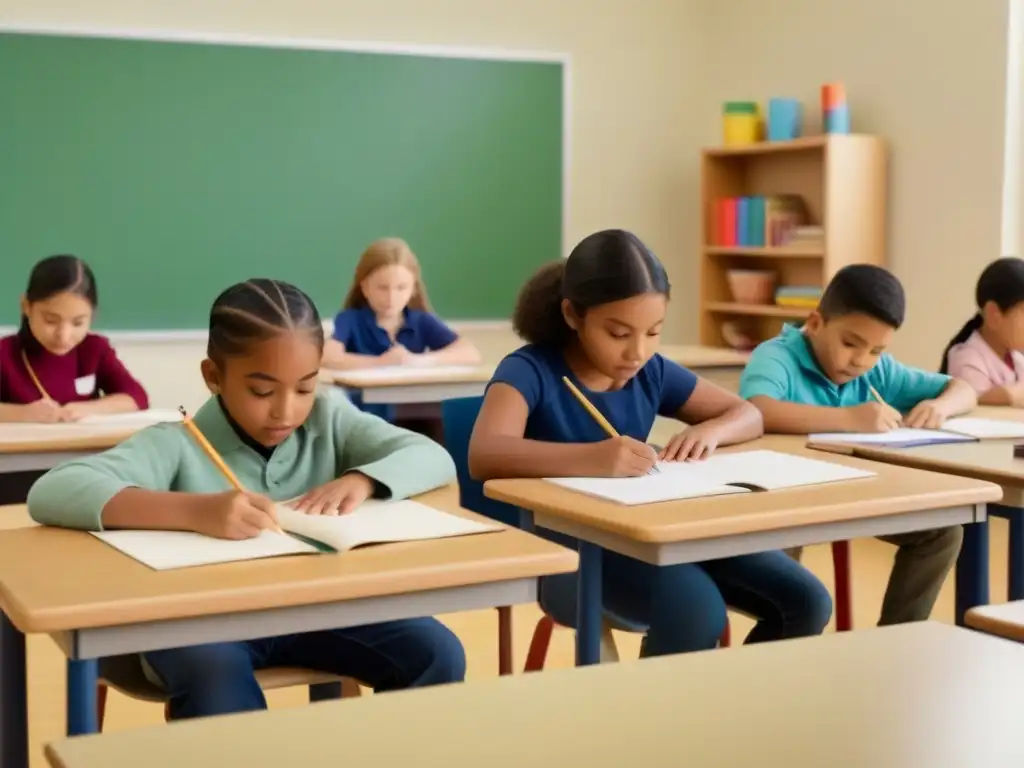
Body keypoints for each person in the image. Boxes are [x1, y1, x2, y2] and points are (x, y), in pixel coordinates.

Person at [28, 278, 465, 720]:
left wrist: (363, 479)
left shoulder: (329, 419)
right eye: (262, 391)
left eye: (304, 388)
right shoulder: (179, 444)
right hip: (202, 624)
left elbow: (432, 456)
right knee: (214, 677)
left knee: (436, 652)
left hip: (314, 609)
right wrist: (196, 511)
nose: (286, 411)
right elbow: (53, 490)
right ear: (213, 377)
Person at [469, 229, 833, 655]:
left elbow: (748, 413)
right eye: (619, 334)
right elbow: (484, 453)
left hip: (659, 530)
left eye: (654, 332)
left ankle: (743, 711)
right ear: (573, 314)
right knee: (697, 613)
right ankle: (659, 721)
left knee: (805, 602)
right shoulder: (530, 370)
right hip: (575, 552)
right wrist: (592, 458)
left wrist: (709, 430)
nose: (637, 352)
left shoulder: (652, 372)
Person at [739, 263, 977, 625]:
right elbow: (757, 409)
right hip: (784, 499)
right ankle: (782, 655)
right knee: (794, 592)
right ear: (816, 323)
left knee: (942, 532)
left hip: (854, 495)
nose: (861, 361)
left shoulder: (877, 369)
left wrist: (939, 405)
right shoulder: (776, 357)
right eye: (850, 344)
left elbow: (964, 389)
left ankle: (898, 636)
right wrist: (849, 418)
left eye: (876, 350)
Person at [942, 256, 1024, 404]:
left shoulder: (1017, 358)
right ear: (994, 314)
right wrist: (1007, 396)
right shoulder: (967, 359)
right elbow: (976, 401)